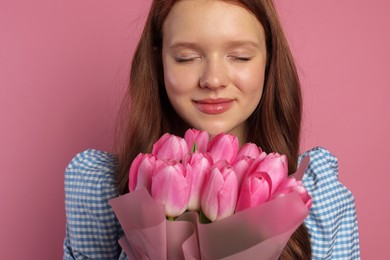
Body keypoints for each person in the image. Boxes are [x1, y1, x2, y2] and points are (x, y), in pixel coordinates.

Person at [63, 0, 360, 259]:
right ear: (159, 60)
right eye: (187, 58)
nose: (213, 79)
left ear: (269, 59)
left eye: (240, 56)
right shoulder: (99, 189)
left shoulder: (318, 196)